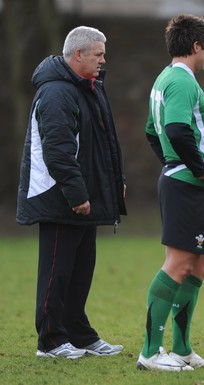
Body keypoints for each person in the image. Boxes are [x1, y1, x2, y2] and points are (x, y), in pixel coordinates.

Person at [16, 26, 127, 359]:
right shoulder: (56, 93)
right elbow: (59, 152)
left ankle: (79, 334)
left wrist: (113, 181)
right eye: (98, 54)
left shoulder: (88, 88)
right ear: (77, 54)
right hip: (60, 199)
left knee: (80, 272)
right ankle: (49, 341)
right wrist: (77, 194)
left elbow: (100, 144)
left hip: (85, 198)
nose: (103, 60)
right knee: (57, 273)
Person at [136, 14, 204, 371]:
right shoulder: (182, 80)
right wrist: (198, 169)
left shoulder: (167, 79)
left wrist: (173, 164)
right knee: (179, 264)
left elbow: (150, 132)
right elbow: (173, 129)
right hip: (189, 185)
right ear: (195, 46)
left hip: (194, 186)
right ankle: (150, 352)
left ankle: (182, 348)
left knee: (200, 264)